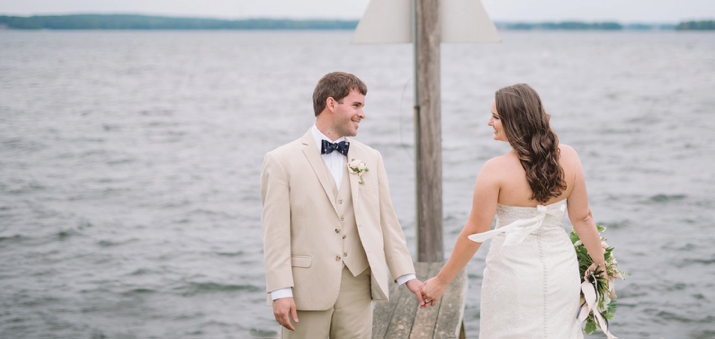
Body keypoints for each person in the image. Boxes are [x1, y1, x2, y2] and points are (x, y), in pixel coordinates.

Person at [420, 83, 608, 339]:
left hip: (512, 275)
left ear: (516, 122)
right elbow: (582, 218)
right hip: (560, 272)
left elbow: (475, 231)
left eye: (496, 117)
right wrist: (600, 268)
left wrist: (440, 282)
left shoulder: (494, 171)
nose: (489, 122)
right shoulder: (570, 157)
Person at [261, 71, 426, 338]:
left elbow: (387, 222)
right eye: (356, 105)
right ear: (331, 104)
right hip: (306, 289)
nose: (362, 114)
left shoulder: (371, 158)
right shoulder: (281, 160)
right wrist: (280, 291)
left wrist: (407, 276)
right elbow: (275, 234)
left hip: (358, 287)